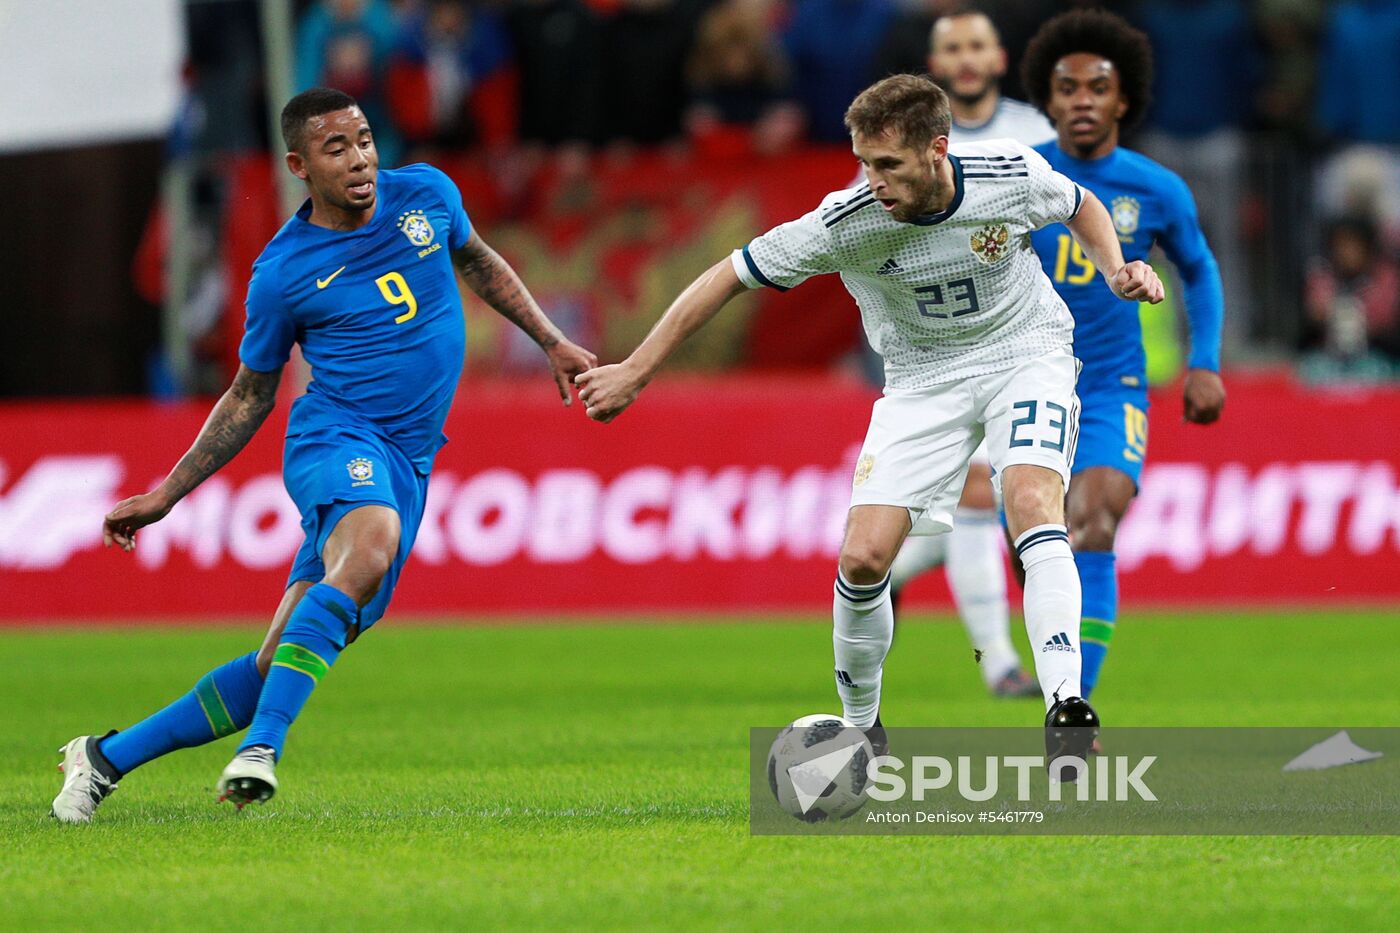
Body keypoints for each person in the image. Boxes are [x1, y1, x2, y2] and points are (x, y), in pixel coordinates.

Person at [576, 74, 1163, 765]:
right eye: (864, 162)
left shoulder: (1009, 172)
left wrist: (1117, 267)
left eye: (887, 164)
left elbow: (1080, 203)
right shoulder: (845, 221)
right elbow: (728, 274)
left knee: (1033, 504)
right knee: (861, 558)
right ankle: (862, 727)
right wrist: (636, 368)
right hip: (921, 382)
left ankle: (1067, 704)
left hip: (1024, 353)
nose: (872, 180)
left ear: (937, 150)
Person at [50, 88, 596, 822]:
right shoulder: (283, 271)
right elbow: (249, 395)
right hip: (335, 438)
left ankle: (102, 758)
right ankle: (263, 751)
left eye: (365, 139)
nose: (361, 158)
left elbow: (478, 258)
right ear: (299, 166)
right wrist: (168, 492)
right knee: (370, 547)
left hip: (410, 460)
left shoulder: (427, 193)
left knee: (278, 663)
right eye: (337, 148)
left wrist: (550, 340)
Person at [1019, 9, 1226, 700]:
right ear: (1046, 101)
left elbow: (1198, 269)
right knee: (1038, 546)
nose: (1082, 100)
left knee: (1095, 518)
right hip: (1022, 380)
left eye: (1097, 88)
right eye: (1067, 87)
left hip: (1112, 382)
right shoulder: (1018, 176)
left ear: (1123, 100)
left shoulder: (1157, 188)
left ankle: (1075, 709)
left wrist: (1206, 361)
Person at [883, 8, 1057, 700]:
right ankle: (999, 666)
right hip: (935, 341)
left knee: (988, 505)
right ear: (935, 64)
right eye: (950, 47)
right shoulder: (907, 141)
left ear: (999, 58)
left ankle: (889, 572)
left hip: (1023, 336)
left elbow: (1072, 219)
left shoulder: (1035, 134)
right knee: (979, 496)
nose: (963, 57)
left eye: (975, 45)